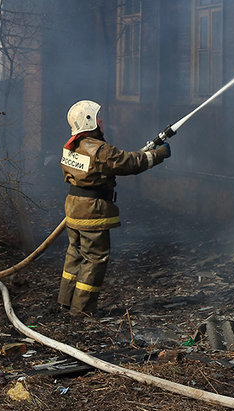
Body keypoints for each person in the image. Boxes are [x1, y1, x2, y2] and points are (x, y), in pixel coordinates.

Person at [58, 100, 171, 316]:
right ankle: (82, 309)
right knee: (95, 258)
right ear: (89, 122)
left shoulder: (72, 146)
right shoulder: (100, 150)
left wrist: (140, 153)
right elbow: (130, 164)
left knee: (75, 254)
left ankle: (66, 301)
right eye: (97, 117)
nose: (101, 121)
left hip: (74, 209)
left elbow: (114, 162)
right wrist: (159, 154)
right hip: (92, 212)